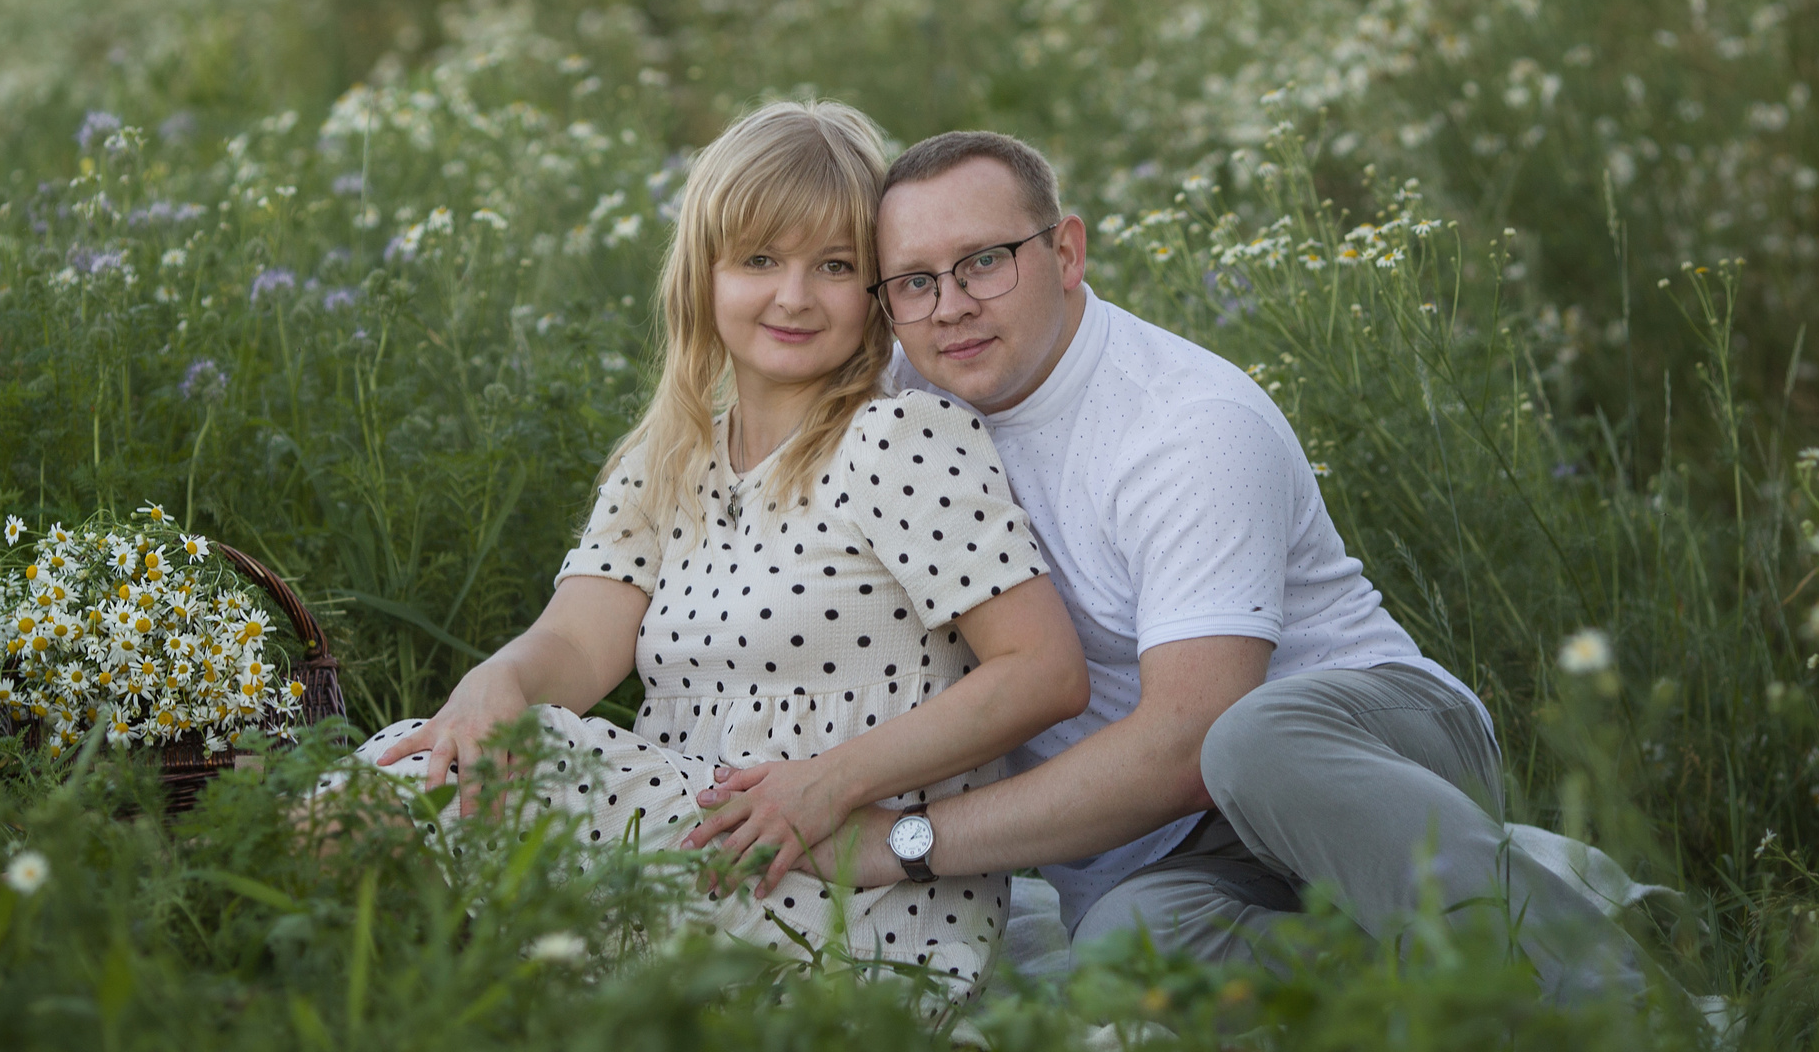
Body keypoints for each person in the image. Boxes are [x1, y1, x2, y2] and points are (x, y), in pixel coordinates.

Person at [696, 131, 1642, 1001]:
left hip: (1360, 746)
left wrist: (901, 843)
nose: (951, 307)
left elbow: (1193, 741)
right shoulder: (903, 399)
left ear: (1065, 253)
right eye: (913, 281)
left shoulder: (1184, 424)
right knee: (1123, 954)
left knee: (1252, 741)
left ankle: (1630, 1021)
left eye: (985, 261)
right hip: (1170, 843)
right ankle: (1510, 939)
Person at [355, 104, 1089, 999]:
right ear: (702, 274)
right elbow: (579, 646)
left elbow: (1043, 671)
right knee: (417, 759)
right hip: (692, 845)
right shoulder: (666, 456)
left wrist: (826, 783)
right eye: (759, 260)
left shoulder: (904, 438)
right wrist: (495, 685)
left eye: (835, 265)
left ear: (876, 292)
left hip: (850, 884)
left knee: (480, 775)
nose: (794, 295)